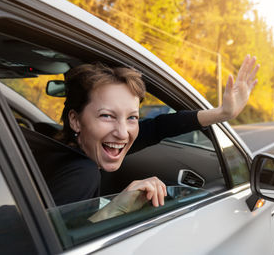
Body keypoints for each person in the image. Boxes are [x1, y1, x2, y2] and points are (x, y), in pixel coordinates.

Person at [44, 55, 259, 211]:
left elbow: (158, 127)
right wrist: (116, 209)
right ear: (75, 120)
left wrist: (222, 113)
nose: (122, 133)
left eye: (132, 118)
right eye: (107, 116)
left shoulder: (69, 149)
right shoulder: (82, 173)